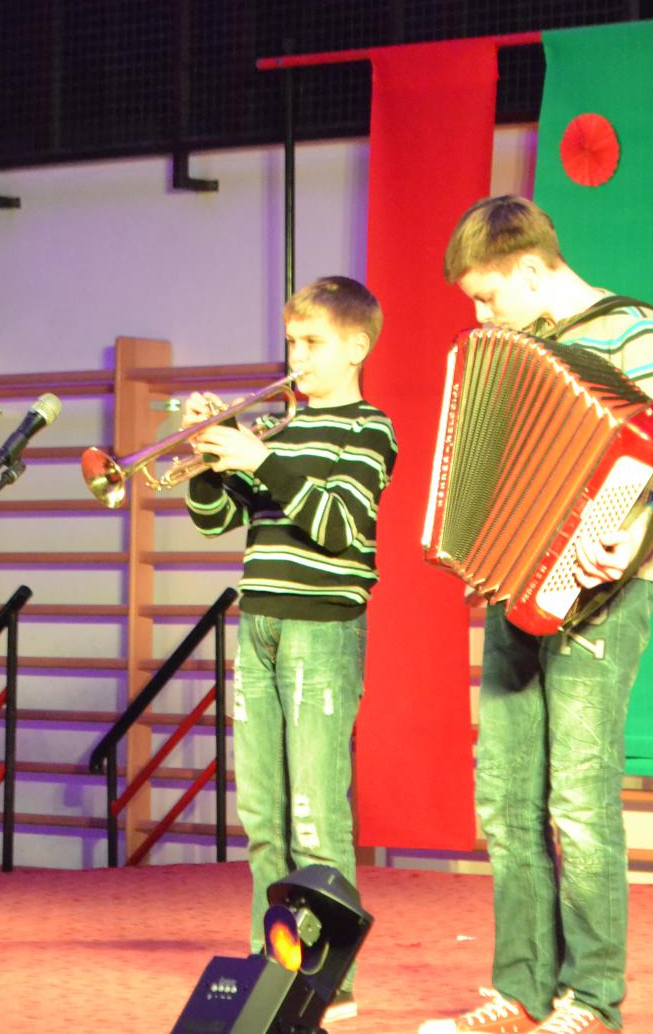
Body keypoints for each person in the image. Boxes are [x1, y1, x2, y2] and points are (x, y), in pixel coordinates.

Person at [422, 197, 653, 1034]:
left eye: (488, 296)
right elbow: (507, 468)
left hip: (604, 598)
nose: (481, 315)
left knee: (577, 802)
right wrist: (484, 548)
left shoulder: (636, 331)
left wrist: (633, 537)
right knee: (506, 800)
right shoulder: (517, 348)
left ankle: (592, 1001)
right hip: (520, 593)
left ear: (534, 270)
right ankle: (519, 992)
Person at [183, 275, 397, 1023]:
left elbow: (339, 525)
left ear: (356, 347)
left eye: (312, 343)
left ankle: (330, 982)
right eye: (291, 343)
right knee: (262, 815)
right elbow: (215, 520)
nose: (296, 358)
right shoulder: (277, 431)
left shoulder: (369, 430)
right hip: (259, 624)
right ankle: (273, 968)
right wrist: (207, 457)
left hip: (320, 628)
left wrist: (259, 458)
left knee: (315, 813)